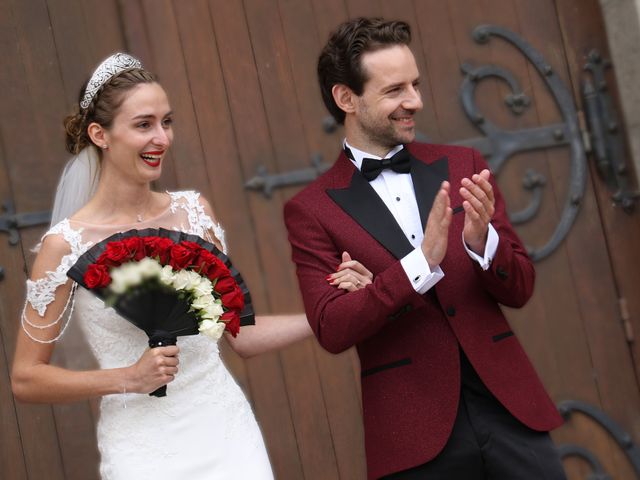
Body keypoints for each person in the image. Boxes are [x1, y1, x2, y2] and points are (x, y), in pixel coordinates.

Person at [11, 53, 373, 480]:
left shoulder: (193, 213)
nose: (162, 138)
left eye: (167, 122)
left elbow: (241, 334)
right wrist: (129, 377)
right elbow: (27, 379)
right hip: (142, 450)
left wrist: (328, 309)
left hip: (226, 434)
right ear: (99, 134)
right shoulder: (66, 245)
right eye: (143, 124)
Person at [284, 17, 566, 479]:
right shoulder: (311, 210)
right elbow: (332, 327)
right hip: (412, 433)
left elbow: (520, 288)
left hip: (511, 410)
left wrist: (482, 244)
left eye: (414, 84)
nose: (414, 101)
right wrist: (419, 263)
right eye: (395, 90)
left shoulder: (463, 165)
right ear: (346, 98)